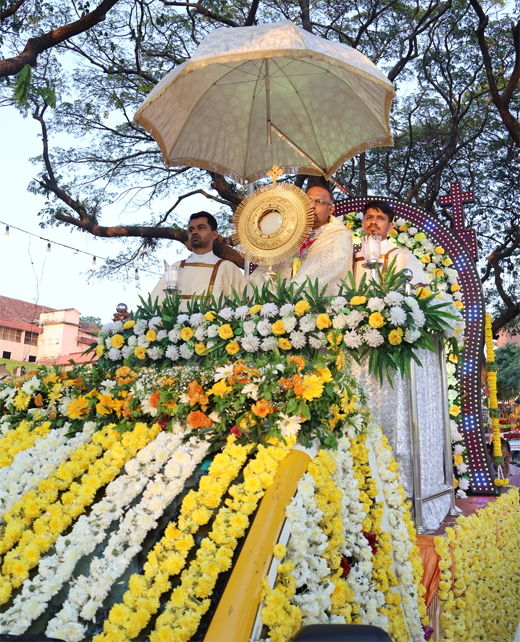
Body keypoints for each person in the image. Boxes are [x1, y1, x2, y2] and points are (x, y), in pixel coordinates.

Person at [114, 212, 247, 320]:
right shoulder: (176, 268)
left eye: (201, 228)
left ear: (214, 234)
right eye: (191, 229)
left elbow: (244, 307)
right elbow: (155, 308)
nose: (194, 232)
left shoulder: (228, 268)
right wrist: (131, 319)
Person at [248, 184, 353, 296]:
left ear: (331, 210)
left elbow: (325, 275)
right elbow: (266, 272)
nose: (312, 206)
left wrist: (287, 294)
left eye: (319, 201)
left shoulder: (339, 235)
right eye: (308, 201)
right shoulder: (289, 235)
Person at [353, 200, 428, 288]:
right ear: (363, 224)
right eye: (369, 217)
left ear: (390, 226)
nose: (373, 222)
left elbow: (417, 291)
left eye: (381, 218)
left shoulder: (403, 256)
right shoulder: (351, 259)